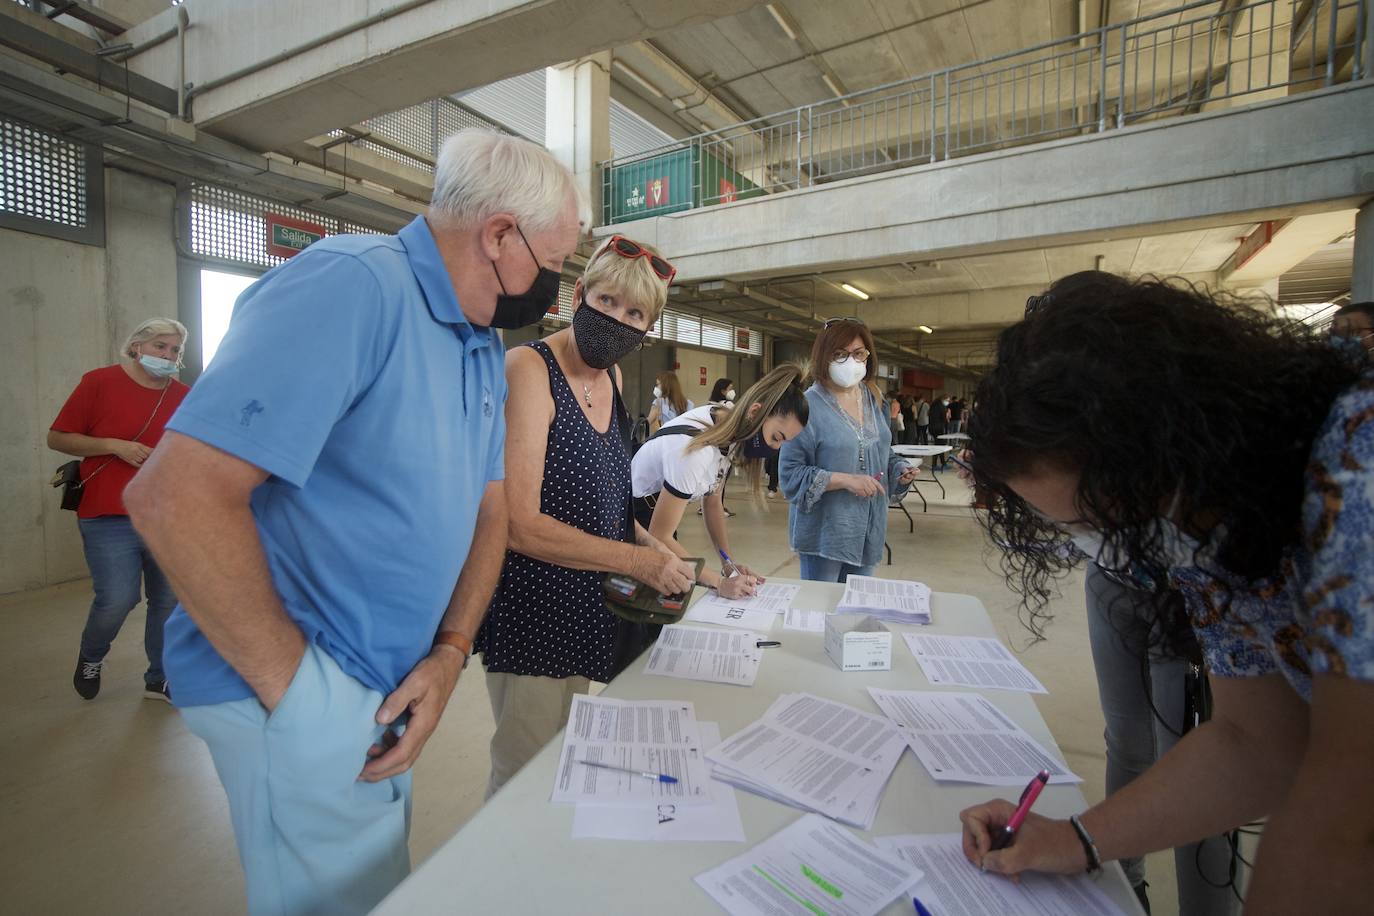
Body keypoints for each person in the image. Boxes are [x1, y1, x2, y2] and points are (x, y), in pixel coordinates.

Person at [124, 129, 587, 915]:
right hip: (305, 689)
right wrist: (308, 699)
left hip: (386, 691)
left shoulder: (477, 339)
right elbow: (174, 497)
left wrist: (448, 652)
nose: (557, 290)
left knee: (378, 892)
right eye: (556, 265)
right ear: (500, 235)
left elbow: (488, 511)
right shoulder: (353, 286)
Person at [956, 271, 1372, 915]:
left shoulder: (1359, 457)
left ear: (1173, 441)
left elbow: (1350, 815)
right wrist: (1074, 840)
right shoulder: (1211, 530)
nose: (1108, 550)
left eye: (1104, 520)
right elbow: (1255, 740)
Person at [476, 234, 694, 797]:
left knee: (561, 759)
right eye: (606, 301)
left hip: (587, 603)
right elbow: (519, 523)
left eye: (635, 313)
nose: (617, 318)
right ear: (579, 294)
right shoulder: (528, 368)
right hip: (533, 609)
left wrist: (660, 550)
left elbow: (610, 507)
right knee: (522, 771)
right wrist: (635, 561)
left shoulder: (613, 380)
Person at [49, 318, 190, 703]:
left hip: (165, 514)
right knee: (118, 598)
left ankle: (158, 677)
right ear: (136, 347)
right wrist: (114, 445)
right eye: (161, 346)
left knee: (167, 600)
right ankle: (91, 656)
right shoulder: (98, 382)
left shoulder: (184, 395)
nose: (169, 356)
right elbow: (57, 437)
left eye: (175, 350)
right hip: (108, 512)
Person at [1085, 564, 1240, 915]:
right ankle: (1127, 892)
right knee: (1126, 744)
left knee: (1196, 783)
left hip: (1187, 601)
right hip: (1110, 580)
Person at [632, 364, 809, 597]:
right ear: (755, 413)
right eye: (776, 438)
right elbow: (658, 536)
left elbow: (713, 501)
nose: (776, 449)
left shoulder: (730, 431)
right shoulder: (697, 451)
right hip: (632, 521)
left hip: (656, 519)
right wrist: (718, 582)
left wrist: (729, 566)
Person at [779, 318, 919, 582]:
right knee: (821, 612)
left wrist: (899, 470)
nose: (851, 362)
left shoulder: (874, 399)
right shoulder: (806, 406)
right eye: (840, 355)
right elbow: (790, 475)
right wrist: (845, 480)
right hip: (825, 536)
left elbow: (881, 453)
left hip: (868, 531)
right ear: (824, 357)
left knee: (854, 612)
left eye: (858, 354)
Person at [704, 377, 739, 517]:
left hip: (711, 446)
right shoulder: (728, 405)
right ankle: (718, 507)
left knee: (711, 477)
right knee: (721, 479)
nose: (732, 391)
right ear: (723, 390)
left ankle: (705, 506)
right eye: (730, 388)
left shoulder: (710, 405)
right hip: (725, 447)